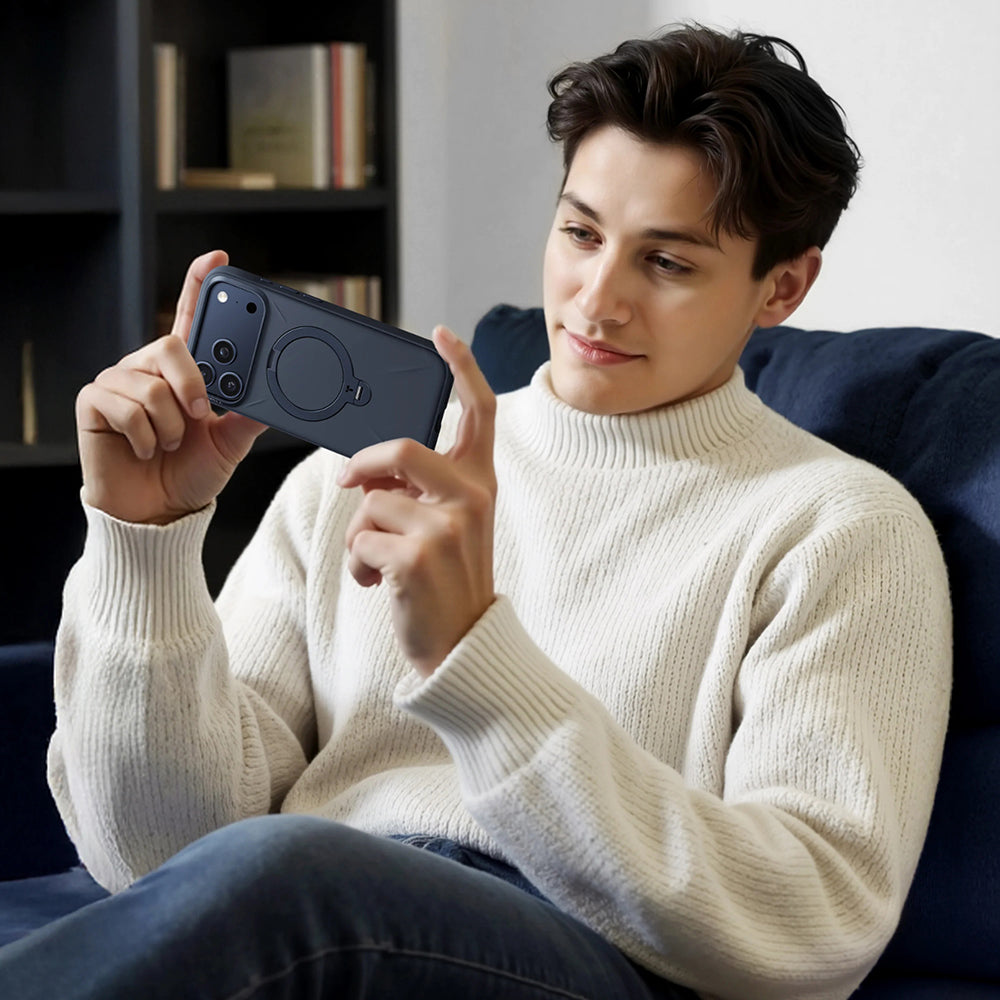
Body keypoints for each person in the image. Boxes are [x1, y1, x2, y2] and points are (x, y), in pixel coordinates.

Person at [0, 23, 950, 1000]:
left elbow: (815, 921)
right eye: (580, 233)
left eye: (666, 263)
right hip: (312, 917)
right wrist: (145, 544)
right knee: (279, 874)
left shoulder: (841, 529)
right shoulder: (364, 472)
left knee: (292, 872)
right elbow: (158, 855)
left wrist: (474, 654)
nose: (597, 300)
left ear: (782, 286)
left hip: (581, 956)